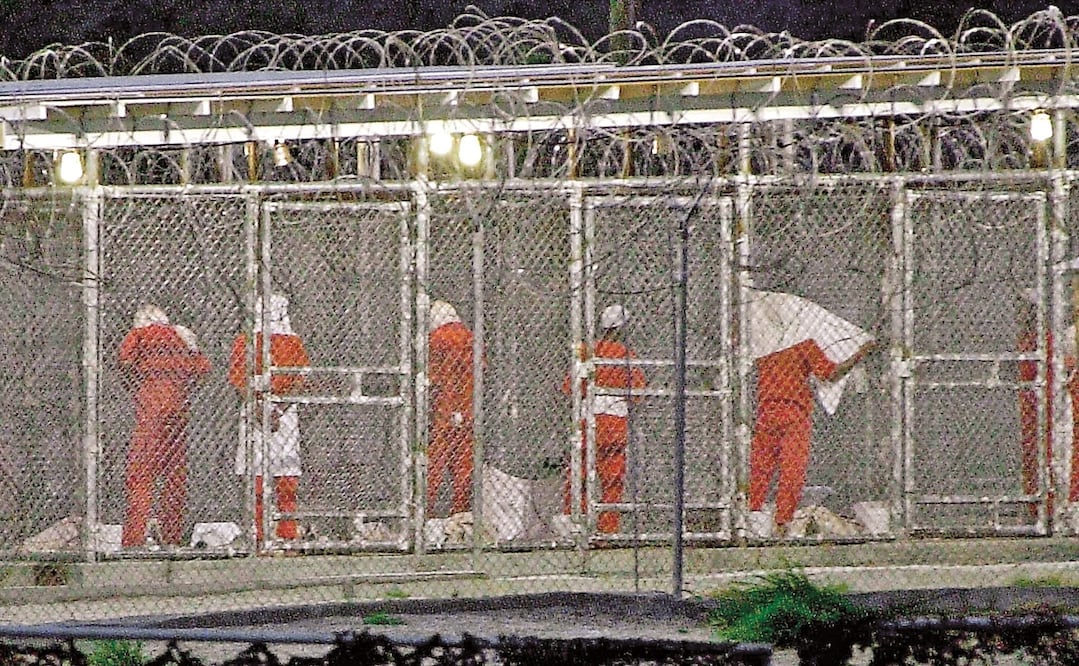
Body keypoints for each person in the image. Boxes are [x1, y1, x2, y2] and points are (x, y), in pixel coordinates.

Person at [743, 289, 875, 537]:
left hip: (767, 410)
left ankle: (753, 516)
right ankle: (781, 521)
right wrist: (860, 353)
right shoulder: (804, 345)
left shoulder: (762, 343)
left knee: (761, 467)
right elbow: (829, 373)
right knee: (792, 468)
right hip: (795, 412)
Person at [119, 304, 210, 548]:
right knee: (174, 475)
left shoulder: (139, 335)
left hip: (150, 410)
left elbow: (125, 363)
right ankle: (172, 535)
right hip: (178, 412)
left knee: (141, 474)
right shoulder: (181, 336)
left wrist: (134, 385)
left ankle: (134, 538)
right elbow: (202, 369)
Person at [229, 293, 310, 545]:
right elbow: (300, 379)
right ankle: (284, 534)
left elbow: (239, 379)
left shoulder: (246, 340)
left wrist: (258, 408)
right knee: (282, 473)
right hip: (282, 413)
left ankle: (262, 535)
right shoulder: (292, 342)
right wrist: (278, 410)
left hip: (259, 410)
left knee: (262, 472)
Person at [562, 304, 647, 535]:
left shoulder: (589, 351)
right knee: (612, 479)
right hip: (615, 422)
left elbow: (569, 387)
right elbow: (637, 392)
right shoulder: (626, 355)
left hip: (587, 419)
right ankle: (607, 530)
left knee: (578, 474)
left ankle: (575, 523)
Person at [426, 300, 476, 518]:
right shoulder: (470, 337)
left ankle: (425, 512)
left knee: (434, 464)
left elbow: (434, 377)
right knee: (463, 465)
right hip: (468, 409)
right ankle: (460, 512)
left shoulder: (437, 339)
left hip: (444, 411)